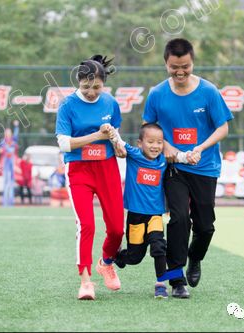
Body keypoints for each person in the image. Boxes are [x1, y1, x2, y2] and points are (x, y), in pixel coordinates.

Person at [143, 38, 232, 298]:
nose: (180, 72)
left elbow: (223, 126)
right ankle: (176, 279)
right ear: (166, 64)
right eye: (174, 67)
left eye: (185, 66)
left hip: (205, 167)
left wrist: (201, 148)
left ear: (192, 62)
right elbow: (148, 126)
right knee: (179, 219)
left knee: (205, 227)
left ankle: (195, 257)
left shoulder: (209, 92)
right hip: (174, 169)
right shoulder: (157, 93)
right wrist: (166, 146)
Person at [55, 54, 124, 300]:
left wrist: (118, 143)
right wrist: (97, 135)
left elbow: (114, 131)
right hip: (78, 170)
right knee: (87, 225)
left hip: (107, 168)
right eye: (86, 86)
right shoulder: (67, 105)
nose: (92, 91)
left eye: (96, 87)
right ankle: (86, 281)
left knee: (117, 228)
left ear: (103, 84)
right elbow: (64, 143)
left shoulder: (110, 103)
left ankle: (106, 262)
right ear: (78, 82)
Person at [107, 123, 191, 298]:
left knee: (159, 247)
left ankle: (160, 284)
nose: (155, 146)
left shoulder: (163, 160)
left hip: (154, 215)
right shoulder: (134, 155)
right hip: (136, 216)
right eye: (150, 141)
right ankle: (118, 256)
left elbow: (179, 157)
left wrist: (190, 156)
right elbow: (119, 142)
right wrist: (110, 130)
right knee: (134, 257)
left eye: (159, 142)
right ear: (140, 143)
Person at [0, 120, 19, 207]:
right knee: (6, 182)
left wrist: (16, 126)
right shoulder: (3, 141)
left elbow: (16, 134)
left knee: (11, 182)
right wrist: (2, 150)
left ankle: (11, 202)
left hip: (12, 162)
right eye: (7, 132)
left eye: (9, 132)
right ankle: (5, 202)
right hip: (6, 162)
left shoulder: (14, 140)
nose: (8, 134)